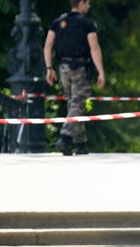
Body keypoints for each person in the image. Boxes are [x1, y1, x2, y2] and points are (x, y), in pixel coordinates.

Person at [43, 0, 106, 156]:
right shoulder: (87, 23)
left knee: (73, 104)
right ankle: (65, 137)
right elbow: (94, 48)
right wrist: (101, 71)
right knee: (78, 104)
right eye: (88, 3)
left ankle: (80, 144)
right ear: (82, 3)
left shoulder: (58, 22)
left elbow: (48, 45)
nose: (89, 6)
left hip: (63, 68)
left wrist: (49, 68)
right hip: (80, 68)